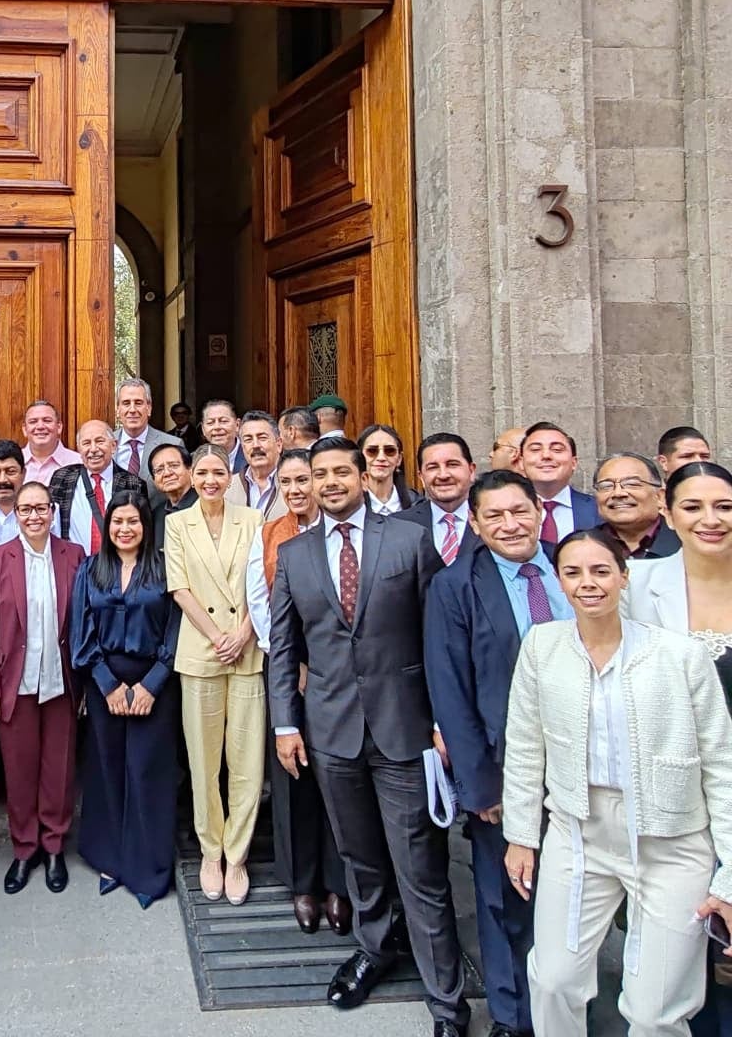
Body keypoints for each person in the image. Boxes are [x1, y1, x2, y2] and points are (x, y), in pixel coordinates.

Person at [269, 440, 470, 1036]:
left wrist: (441, 721)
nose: (330, 483)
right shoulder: (295, 553)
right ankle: (376, 947)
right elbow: (285, 647)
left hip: (404, 729)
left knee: (421, 870)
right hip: (330, 732)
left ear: (364, 476)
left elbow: (438, 637)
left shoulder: (408, 540)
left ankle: (447, 1002)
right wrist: (286, 723)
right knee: (359, 859)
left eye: (340, 472)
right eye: (318, 474)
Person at [503, 528, 732, 1037]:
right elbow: (524, 745)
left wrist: (730, 873)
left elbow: (722, 764)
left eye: (601, 570)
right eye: (574, 572)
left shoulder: (680, 655)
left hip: (670, 840)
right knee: (554, 979)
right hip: (577, 832)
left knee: (656, 1011)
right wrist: (521, 834)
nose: (589, 583)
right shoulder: (542, 645)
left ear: (624, 577)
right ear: (559, 581)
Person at [424, 469, 574, 1037]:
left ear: (539, 510)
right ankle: (515, 1018)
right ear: (477, 525)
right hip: (507, 770)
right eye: (495, 516)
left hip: (584, 764)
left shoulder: (574, 565)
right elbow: (451, 691)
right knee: (508, 900)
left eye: (519, 511)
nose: (510, 524)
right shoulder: (456, 585)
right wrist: (480, 786)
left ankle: (568, 1009)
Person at [620, 461, 732, 1035]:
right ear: (666, 511)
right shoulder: (638, 585)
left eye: (724, 507)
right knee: (690, 943)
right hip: (679, 798)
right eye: (693, 507)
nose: (710, 520)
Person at [244, 449, 349, 935]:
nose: (296, 489)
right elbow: (260, 603)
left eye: (303, 479)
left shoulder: (343, 535)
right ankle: (302, 883)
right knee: (293, 776)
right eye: (286, 482)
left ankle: (339, 883)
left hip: (341, 676)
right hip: (289, 669)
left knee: (339, 776)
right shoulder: (271, 534)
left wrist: (322, 663)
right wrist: (292, 661)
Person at [164, 444, 264, 905]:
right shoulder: (176, 523)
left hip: (245, 649)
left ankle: (237, 854)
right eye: (201, 472)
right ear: (190, 474)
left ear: (230, 476)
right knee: (204, 761)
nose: (209, 480)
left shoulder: (253, 520)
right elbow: (180, 588)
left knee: (246, 760)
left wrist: (242, 633)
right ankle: (210, 851)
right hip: (202, 651)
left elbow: (263, 585)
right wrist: (217, 636)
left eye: (218, 472)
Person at [71, 491, 181, 908]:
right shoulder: (90, 570)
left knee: (147, 771)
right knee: (106, 768)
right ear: (107, 526)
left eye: (133, 521)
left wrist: (152, 684)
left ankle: (146, 865)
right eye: (117, 521)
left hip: (155, 682)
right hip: (106, 683)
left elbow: (175, 627)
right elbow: (80, 630)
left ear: (145, 526)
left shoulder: (165, 567)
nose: (125, 528)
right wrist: (108, 684)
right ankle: (110, 857)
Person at [0, 481, 83, 894]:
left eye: (41, 508)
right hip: (13, 684)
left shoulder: (72, 555)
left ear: (53, 512)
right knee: (18, 770)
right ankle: (24, 848)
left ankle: (54, 845)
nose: (34, 516)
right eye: (26, 509)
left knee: (59, 768)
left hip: (61, 680)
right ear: (16, 513)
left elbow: (83, 620)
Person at [50, 419, 145, 552]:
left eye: (100, 441)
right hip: (74, 567)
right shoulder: (62, 478)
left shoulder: (133, 484)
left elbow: (141, 532)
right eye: (86, 443)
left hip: (116, 566)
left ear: (113, 446)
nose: (93, 449)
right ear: (79, 449)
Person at [404, 433, 478, 566]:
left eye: (452, 464)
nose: (443, 475)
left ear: (471, 471)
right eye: (433, 467)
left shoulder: (493, 520)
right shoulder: (400, 525)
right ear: (421, 477)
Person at [519, 422, 598, 543]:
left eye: (557, 449)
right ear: (521, 462)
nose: (546, 455)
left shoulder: (599, 509)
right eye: (535, 449)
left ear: (574, 462)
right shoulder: (504, 512)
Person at [592, 452, 679, 559]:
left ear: (660, 496)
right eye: (606, 486)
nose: (618, 493)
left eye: (631, 484)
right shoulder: (582, 548)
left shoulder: (686, 543)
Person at [113, 377, 182, 483]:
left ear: (149, 408)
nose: (132, 410)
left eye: (138, 403)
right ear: (118, 410)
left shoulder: (173, 444)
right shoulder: (106, 444)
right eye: (126, 403)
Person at [226, 409, 288, 519]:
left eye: (262, 438)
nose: (255, 445)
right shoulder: (229, 487)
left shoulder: (294, 482)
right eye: (248, 439)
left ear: (279, 444)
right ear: (243, 447)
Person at [357, 423, 419, 515]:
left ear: (399, 459)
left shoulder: (416, 505)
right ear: (360, 457)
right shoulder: (349, 506)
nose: (381, 458)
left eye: (390, 451)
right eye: (372, 451)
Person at [20, 400, 81, 485]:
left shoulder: (78, 463)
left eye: (47, 421)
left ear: (59, 427)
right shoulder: (11, 463)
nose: (40, 426)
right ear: (24, 429)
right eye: (33, 421)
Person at [149, 442, 197, 550]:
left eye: (174, 466)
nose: (167, 473)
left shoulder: (206, 506)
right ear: (154, 480)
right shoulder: (156, 514)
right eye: (159, 470)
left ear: (190, 470)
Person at [201, 399, 247, 474]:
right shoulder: (193, 460)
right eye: (210, 422)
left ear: (237, 425)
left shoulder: (251, 456)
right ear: (203, 429)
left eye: (223, 421)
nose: (217, 427)